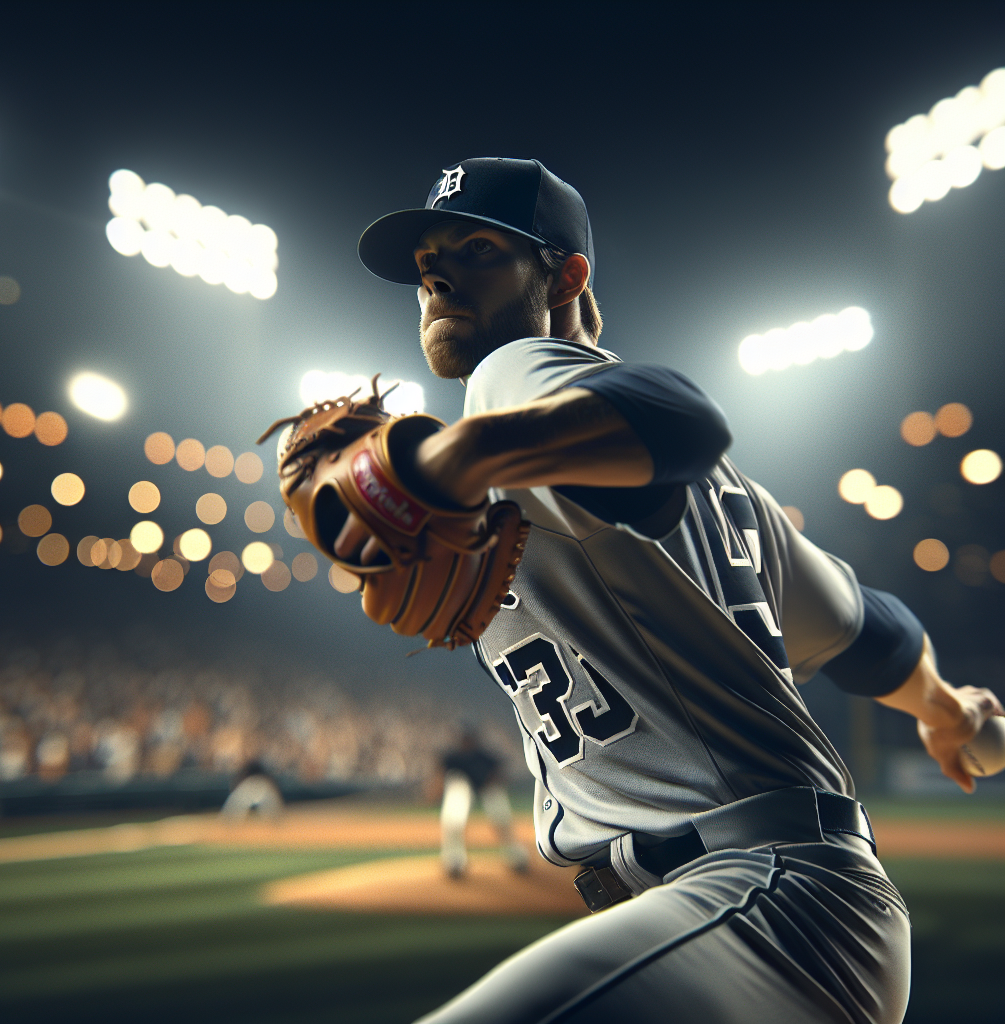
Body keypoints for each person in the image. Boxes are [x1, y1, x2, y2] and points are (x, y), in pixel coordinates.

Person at [338, 158, 1002, 1023]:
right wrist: (948, 710)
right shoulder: (736, 499)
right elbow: (866, 628)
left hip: (766, 899)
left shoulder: (513, 378)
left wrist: (457, 458)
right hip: (790, 904)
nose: (435, 274)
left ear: (565, 276)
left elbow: (679, 419)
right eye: (429, 259)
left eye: (475, 249)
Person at [439, 728, 529, 878]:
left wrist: (494, 782)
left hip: (485, 787)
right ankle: (454, 860)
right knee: (454, 816)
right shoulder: (452, 757)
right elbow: (440, 776)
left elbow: (500, 774)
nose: (465, 742)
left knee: (501, 815)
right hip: (463, 789)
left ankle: (515, 855)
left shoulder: (485, 756)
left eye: (467, 738)